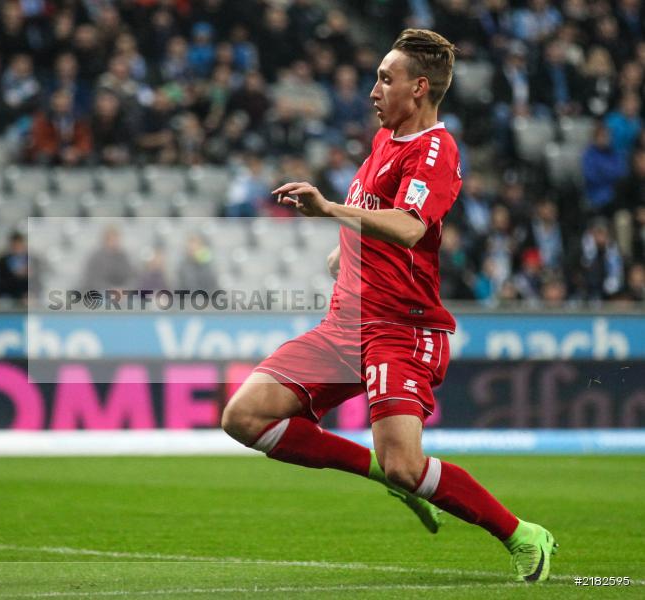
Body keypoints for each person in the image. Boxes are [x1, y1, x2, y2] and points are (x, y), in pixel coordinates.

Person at [221, 29, 556, 583]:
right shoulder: (386, 140)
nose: (373, 89)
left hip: (400, 328)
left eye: (385, 78)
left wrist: (328, 209)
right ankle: (377, 471)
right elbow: (376, 214)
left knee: (409, 464)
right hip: (344, 326)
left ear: (419, 88)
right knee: (244, 417)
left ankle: (522, 535)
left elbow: (407, 226)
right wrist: (344, 250)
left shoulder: (435, 150)